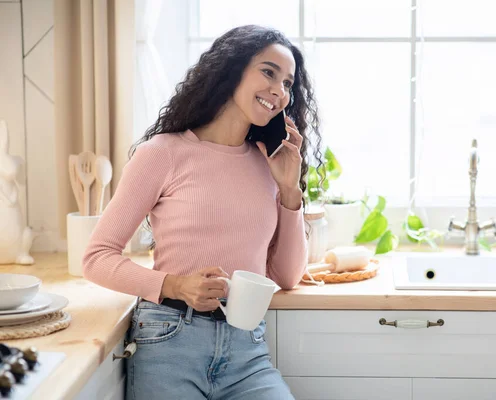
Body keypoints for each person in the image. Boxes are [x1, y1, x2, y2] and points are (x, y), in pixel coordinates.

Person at [82, 25, 323, 399]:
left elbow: (287, 276)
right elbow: (96, 258)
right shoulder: (162, 153)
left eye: (289, 83)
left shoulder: (268, 166)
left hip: (247, 351)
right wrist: (175, 284)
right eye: (268, 72)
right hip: (169, 341)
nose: (280, 91)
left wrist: (290, 191)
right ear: (231, 69)